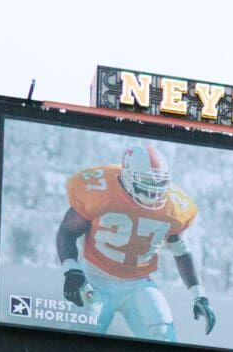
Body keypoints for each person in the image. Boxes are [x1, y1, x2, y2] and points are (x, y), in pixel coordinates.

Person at [56, 140, 217, 341]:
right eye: (148, 184)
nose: (154, 192)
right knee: (79, 340)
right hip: (95, 277)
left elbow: (181, 250)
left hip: (138, 283)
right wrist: (72, 270)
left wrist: (199, 294)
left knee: (163, 336)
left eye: (160, 185)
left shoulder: (173, 208)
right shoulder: (100, 190)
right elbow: (67, 232)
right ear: (128, 177)